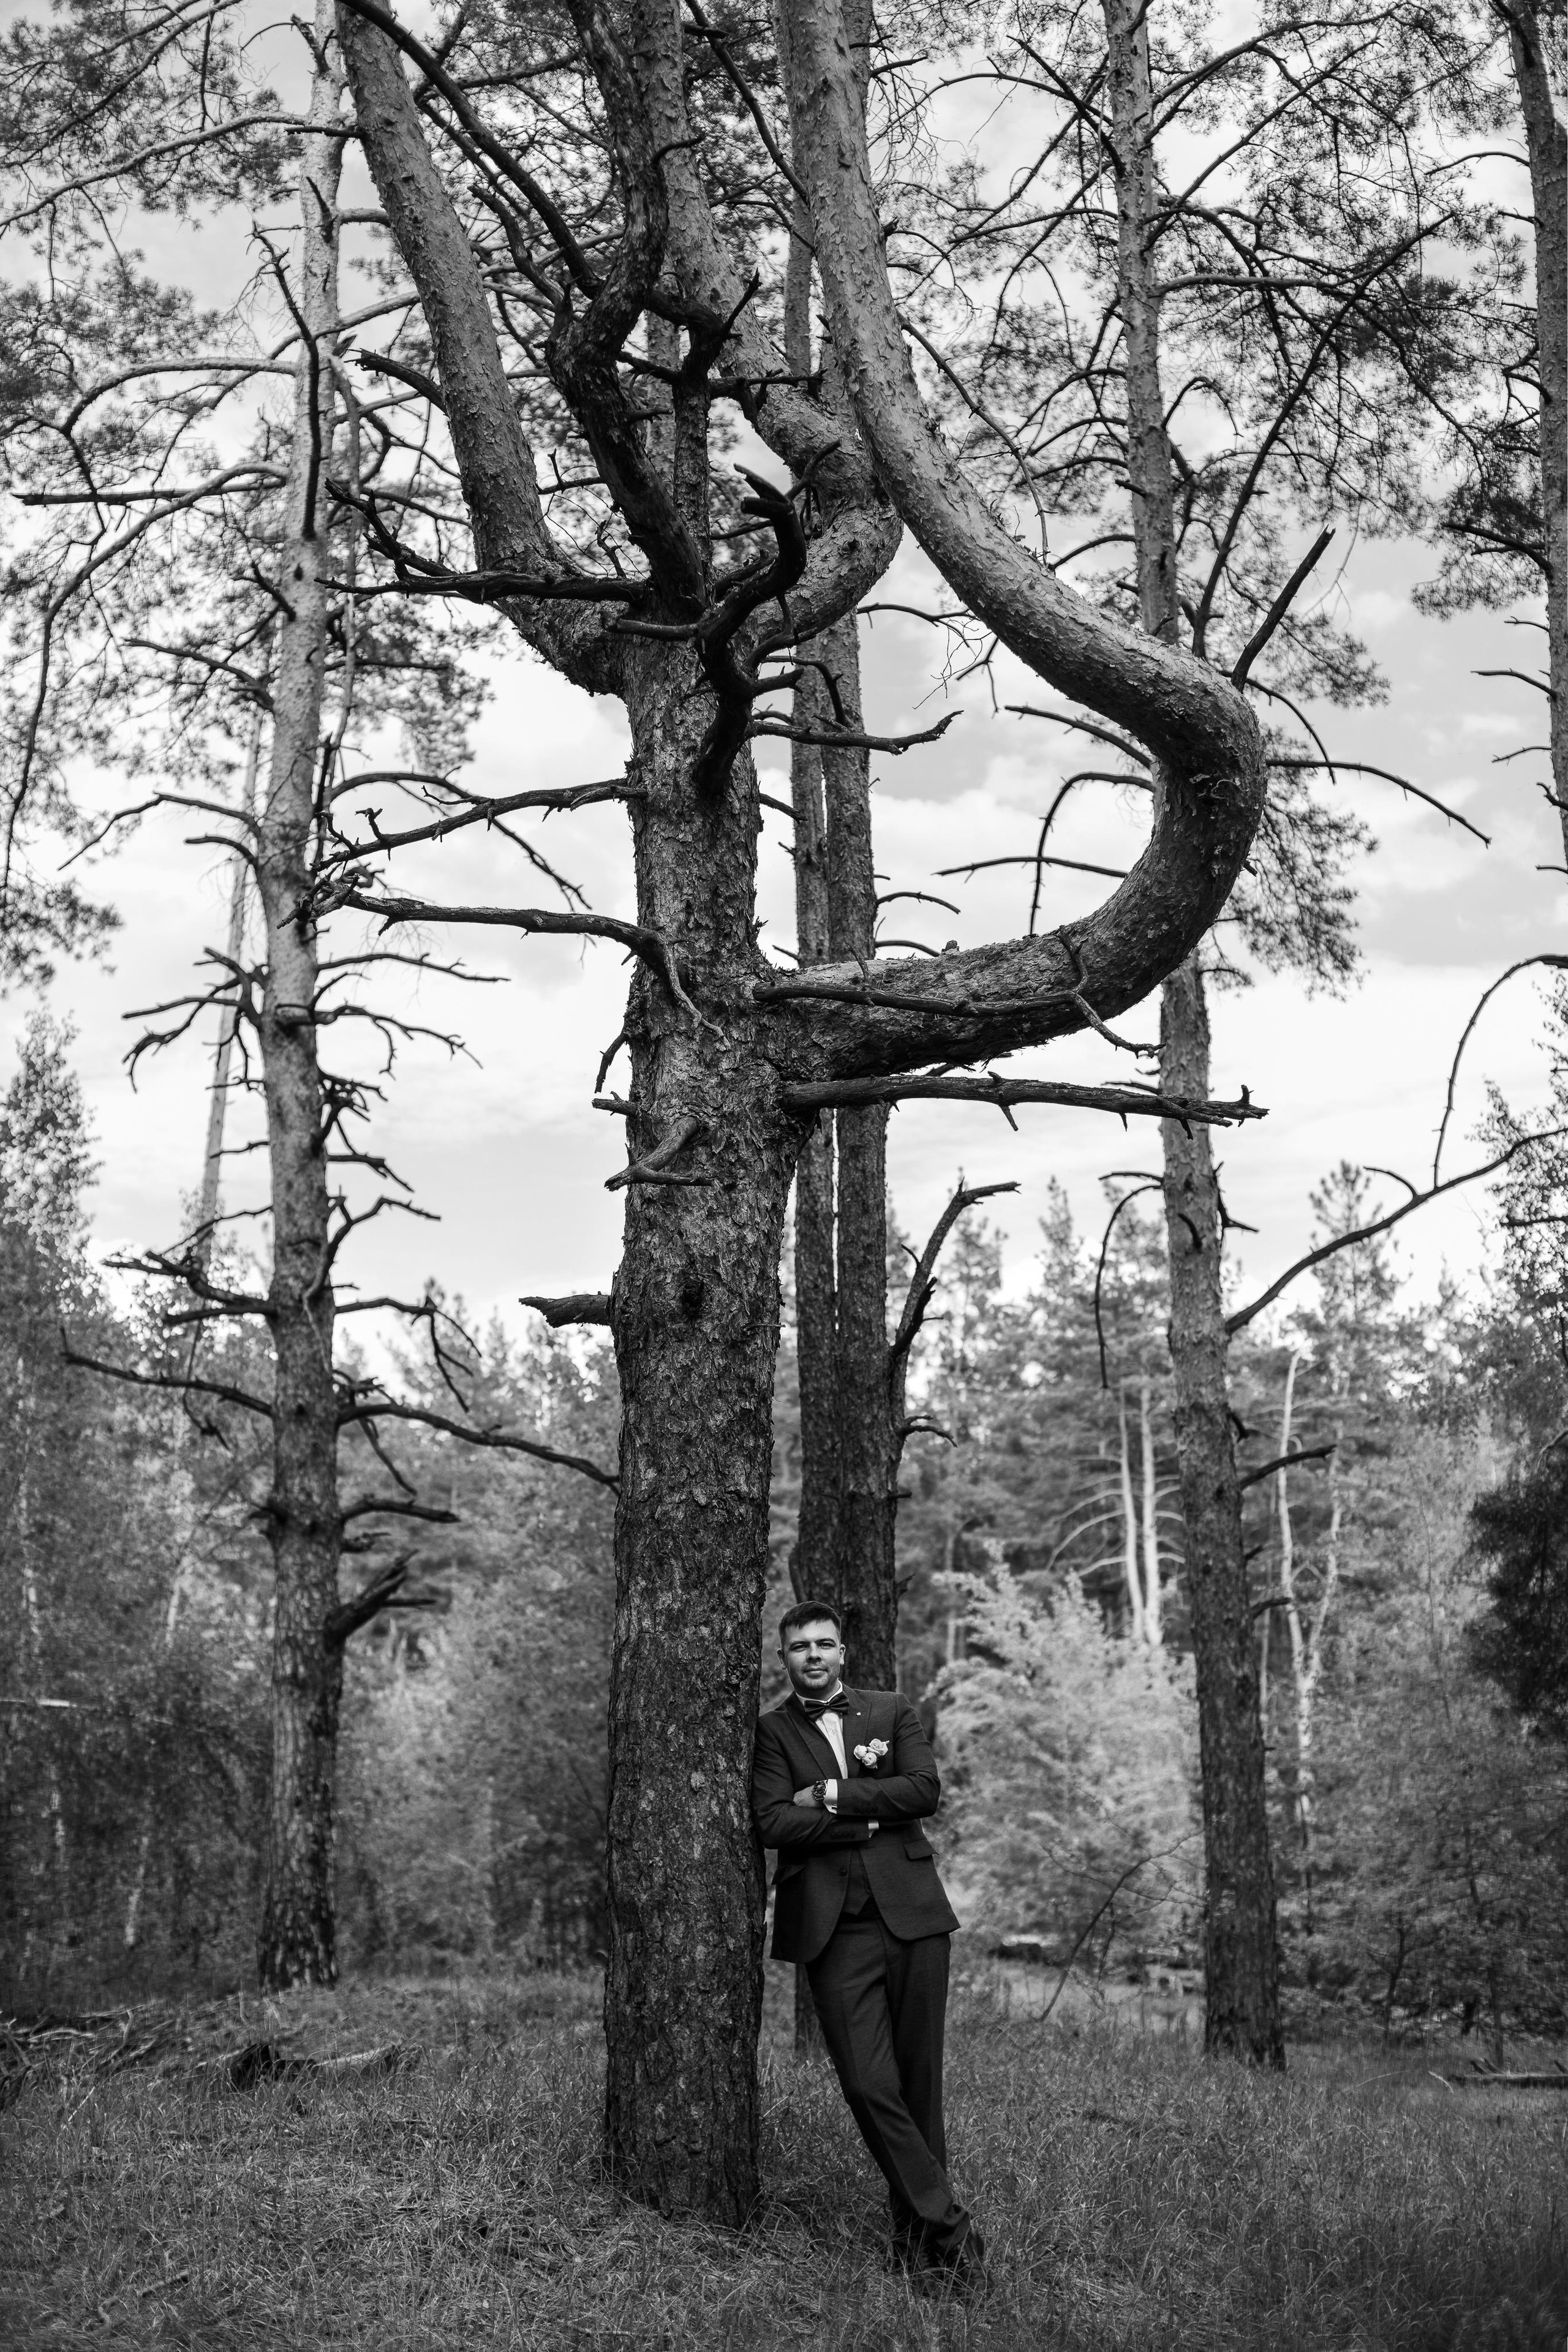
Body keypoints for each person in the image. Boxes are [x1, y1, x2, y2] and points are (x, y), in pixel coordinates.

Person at [751, 1599, 985, 2292]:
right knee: (865, 2083)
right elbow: (770, 1822)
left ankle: (920, 2257)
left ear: (843, 1651)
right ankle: (952, 2227)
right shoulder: (769, 1732)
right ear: (785, 1658)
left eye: (824, 1644)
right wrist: (862, 1821)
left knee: (919, 2090)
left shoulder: (890, 1711)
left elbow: (922, 1790)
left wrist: (826, 1793)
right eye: (800, 1648)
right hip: (833, 1930)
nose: (813, 1656)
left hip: (914, 1919)